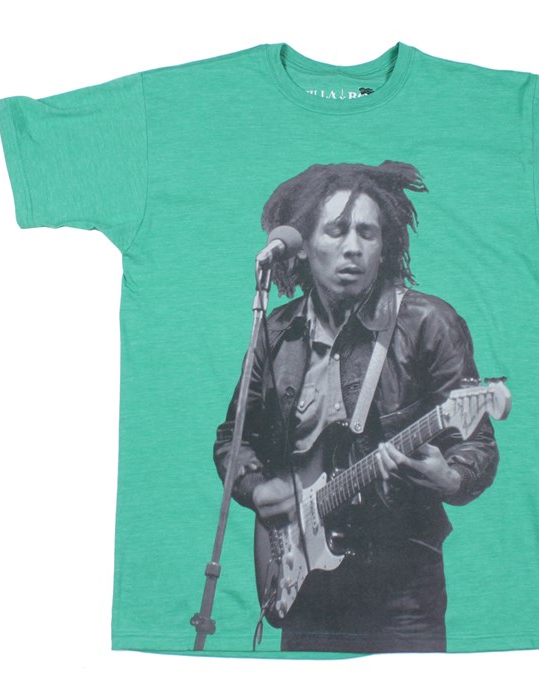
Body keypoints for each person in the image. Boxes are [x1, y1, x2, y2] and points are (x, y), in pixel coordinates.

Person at [214, 161, 500, 653]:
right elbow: (232, 440)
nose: (353, 247)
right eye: (337, 230)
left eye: (367, 233)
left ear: (385, 247)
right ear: (305, 245)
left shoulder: (428, 322)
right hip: (303, 579)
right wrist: (258, 488)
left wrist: (450, 478)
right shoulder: (276, 332)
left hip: (403, 584)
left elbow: (478, 444)